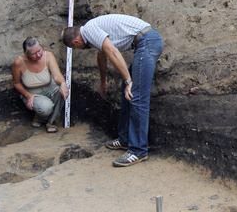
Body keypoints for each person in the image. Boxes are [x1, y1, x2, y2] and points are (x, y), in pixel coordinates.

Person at [61, 14, 163, 167]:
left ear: (76, 42)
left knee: (137, 96)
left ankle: (138, 151)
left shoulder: (89, 30)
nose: (80, 49)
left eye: (76, 48)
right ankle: (125, 139)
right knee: (126, 92)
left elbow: (112, 52)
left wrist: (128, 81)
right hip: (146, 41)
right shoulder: (91, 31)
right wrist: (103, 81)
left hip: (148, 42)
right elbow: (102, 56)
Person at [12, 37, 69, 133]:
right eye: (33, 54)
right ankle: (39, 118)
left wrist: (63, 83)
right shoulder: (18, 62)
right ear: (26, 54)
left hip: (50, 88)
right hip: (33, 93)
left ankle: (51, 122)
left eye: (39, 51)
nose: (38, 55)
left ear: (42, 47)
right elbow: (17, 84)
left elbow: (57, 75)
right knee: (46, 107)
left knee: (62, 91)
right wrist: (28, 96)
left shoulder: (48, 56)